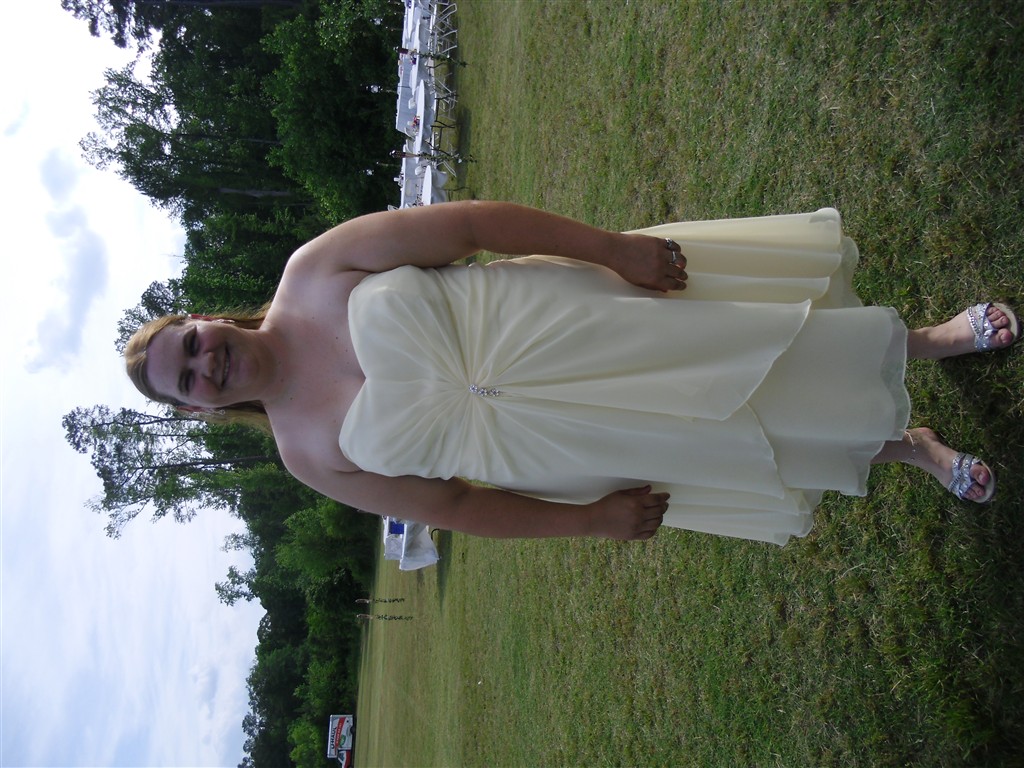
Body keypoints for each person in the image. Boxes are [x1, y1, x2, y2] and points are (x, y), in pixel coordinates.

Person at [124, 201, 1018, 545]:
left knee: (752, 341)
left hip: (578, 324)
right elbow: (456, 507)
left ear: (204, 319)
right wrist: (587, 519)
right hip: (567, 447)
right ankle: (910, 449)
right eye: (187, 378)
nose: (205, 361)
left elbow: (470, 227)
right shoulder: (306, 456)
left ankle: (934, 340)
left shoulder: (314, 270)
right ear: (197, 408)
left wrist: (613, 250)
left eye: (190, 341)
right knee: (742, 436)